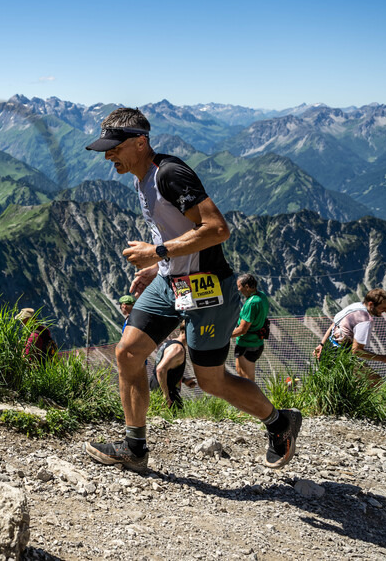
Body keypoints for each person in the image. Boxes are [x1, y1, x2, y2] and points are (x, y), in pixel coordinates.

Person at [82, 108, 302, 472]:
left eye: (114, 148)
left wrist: (157, 252)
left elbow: (217, 229)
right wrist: (157, 266)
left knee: (210, 381)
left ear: (141, 142)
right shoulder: (141, 179)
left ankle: (280, 423)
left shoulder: (169, 174)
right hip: (170, 282)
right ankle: (134, 448)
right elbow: (174, 232)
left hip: (208, 286)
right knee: (128, 353)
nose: (108, 156)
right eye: (106, 149)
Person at [314, 289, 386, 379]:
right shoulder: (365, 320)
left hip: (327, 349)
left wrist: (321, 344)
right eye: (383, 308)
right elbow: (356, 351)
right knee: (375, 381)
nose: (385, 311)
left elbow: (334, 324)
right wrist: (385, 358)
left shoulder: (355, 306)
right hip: (339, 356)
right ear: (371, 304)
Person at [148, 322, 197, 410]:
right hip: (165, 389)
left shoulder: (172, 343)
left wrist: (184, 380)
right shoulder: (177, 349)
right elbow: (160, 370)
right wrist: (166, 396)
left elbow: (169, 369)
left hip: (160, 385)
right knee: (175, 416)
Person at [231, 273, 269, 382]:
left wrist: (224, 336)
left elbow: (242, 330)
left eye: (239, 286)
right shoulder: (262, 296)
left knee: (247, 379)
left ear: (247, 286)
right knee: (241, 373)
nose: (238, 289)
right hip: (255, 342)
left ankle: (251, 393)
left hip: (248, 345)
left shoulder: (252, 304)